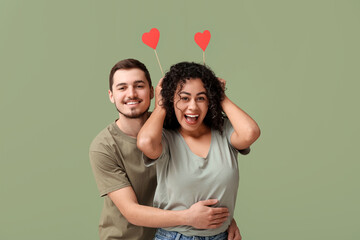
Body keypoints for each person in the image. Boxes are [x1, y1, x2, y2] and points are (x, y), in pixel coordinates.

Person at [89, 59, 242, 240]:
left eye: (139, 86)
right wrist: (190, 218)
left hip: (180, 232)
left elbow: (202, 180)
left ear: (153, 91)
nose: (131, 94)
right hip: (128, 236)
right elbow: (131, 211)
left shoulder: (175, 124)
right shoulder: (104, 147)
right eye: (122, 88)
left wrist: (220, 221)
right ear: (111, 95)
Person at [137, 62, 261, 239]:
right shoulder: (165, 138)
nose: (193, 107)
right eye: (184, 98)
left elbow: (251, 132)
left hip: (222, 236)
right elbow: (145, 142)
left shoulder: (224, 132)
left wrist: (220, 96)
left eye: (201, 98)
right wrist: (161, 104)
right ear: (172, 99)